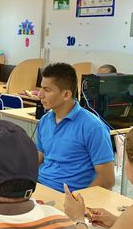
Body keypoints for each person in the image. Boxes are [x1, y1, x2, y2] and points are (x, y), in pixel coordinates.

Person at [37, 63, 115, 191]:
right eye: (41, 88)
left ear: (66, 95)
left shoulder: (93, 127)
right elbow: (39, 158)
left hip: (70, 194)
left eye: (47, 90)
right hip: (41, 187)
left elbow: (107, 179)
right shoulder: (45, 121)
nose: (40, 95)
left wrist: (76, 200)